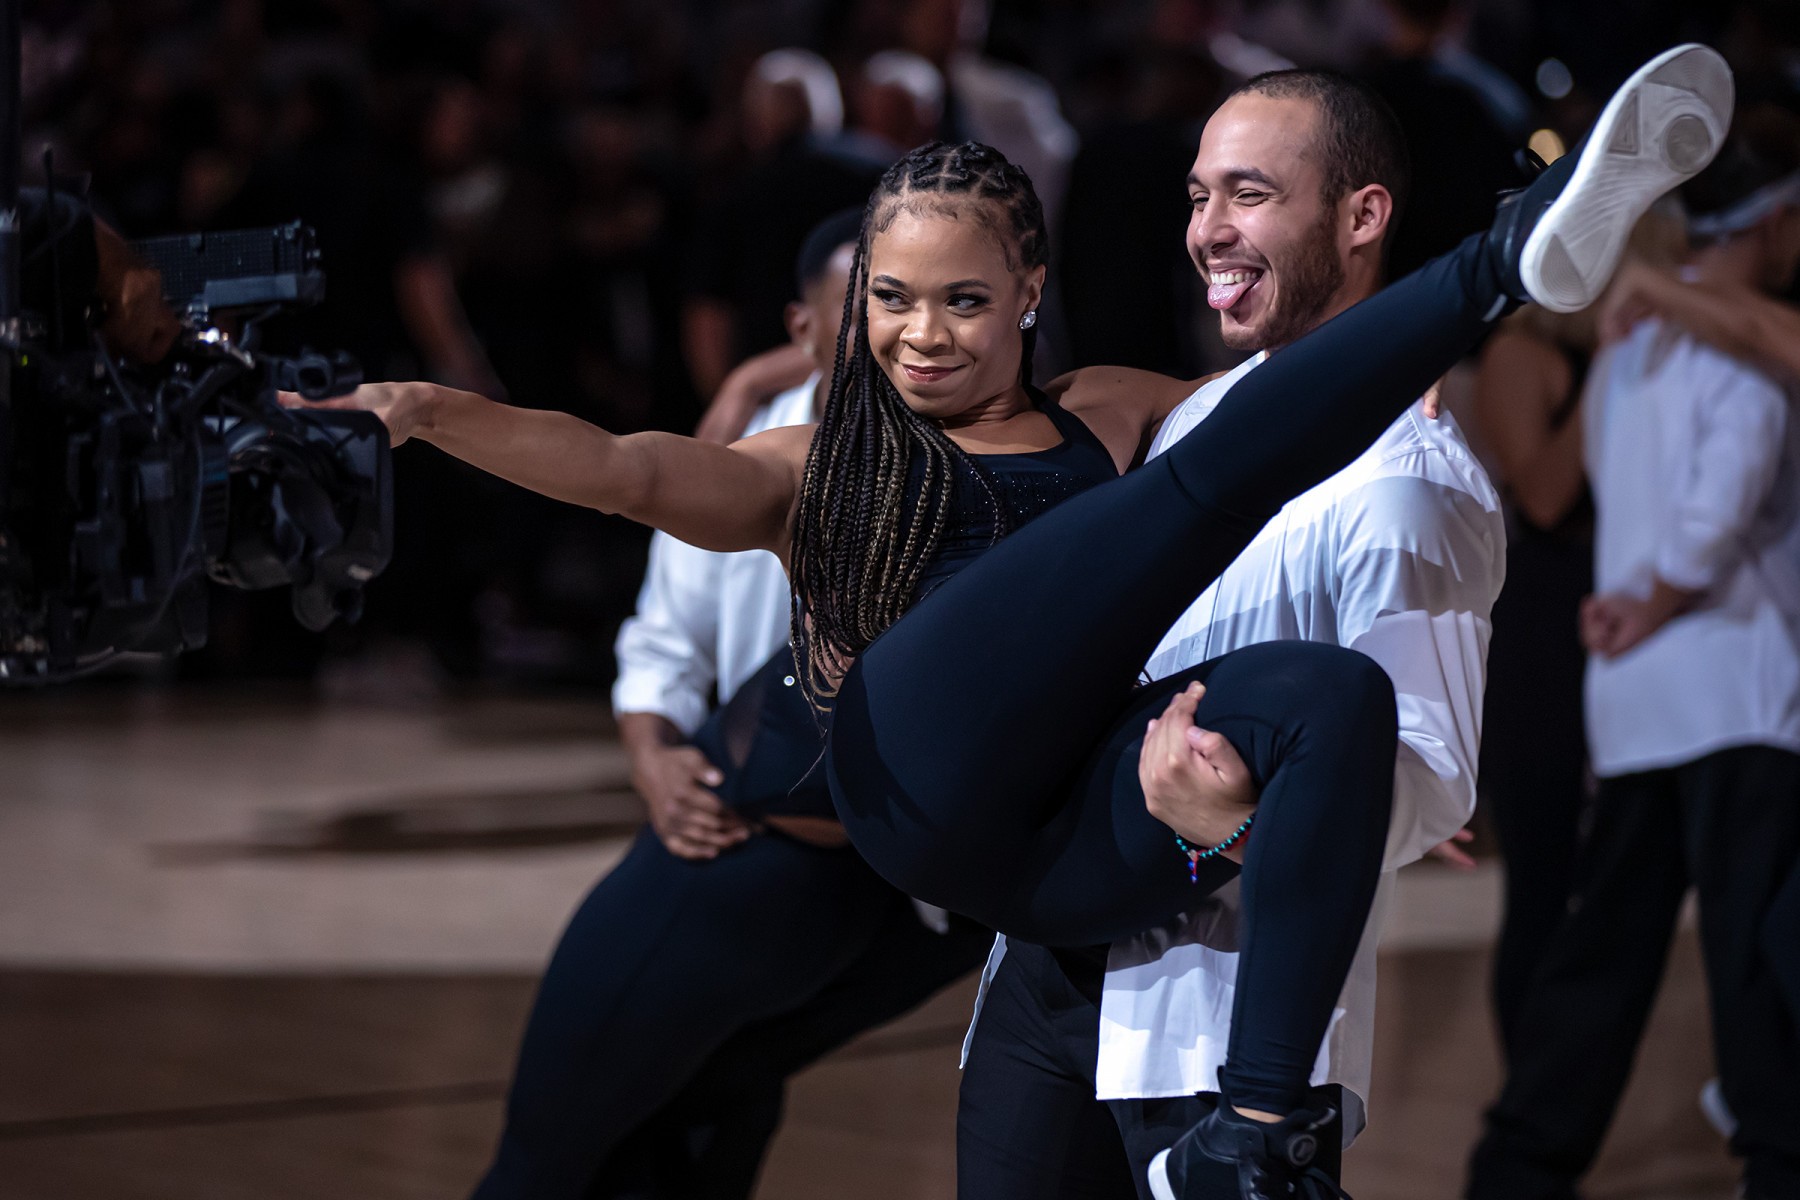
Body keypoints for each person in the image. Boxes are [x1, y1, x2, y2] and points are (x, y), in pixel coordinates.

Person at [305, 44, 1729, 1195]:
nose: (924, 333)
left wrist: (1343, 790)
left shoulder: (1128, 412)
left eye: (965, 301)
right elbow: (622, 470)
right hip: (903, 780)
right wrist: (425, 411)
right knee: (1200, 502)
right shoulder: (823, 459)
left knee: (1314, 685)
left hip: (1042, 870)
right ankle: (1503, 263)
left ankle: (1260, 1138)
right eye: (891, 302)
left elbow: (1304, 419)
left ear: (1031, 297)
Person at [951, 64, 1503, 1200]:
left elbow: (1432, 778)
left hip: (1220, 1018)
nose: (1209, 229)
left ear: (1361, 216)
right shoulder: (1199, 412)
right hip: (1043, 981)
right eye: (1200, 196)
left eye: (1250, 194)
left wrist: (1242, 829)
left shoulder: (1409, 483)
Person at [471, 212, 993, 1200]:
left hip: (900, 895)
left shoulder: (985, 455)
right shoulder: (738, 455)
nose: (900, 335)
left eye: (924, 304)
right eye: (868, 308)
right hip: (749, 846)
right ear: (803, 328)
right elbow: (661, 641)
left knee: (719, 1113)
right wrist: (652, 755)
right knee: (574, 1151)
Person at [1465, 107, 1800, 1200]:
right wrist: (1659, 597)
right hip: (1737, 689)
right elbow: (1727, 488)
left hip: (1634, 699)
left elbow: (1614, 487)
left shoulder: (1629, 335)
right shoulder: (1732, 337)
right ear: (1775, 223)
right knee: (1751, 964)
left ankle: (1516, 1172)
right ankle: (1778, 1168)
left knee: (1597, 960)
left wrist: (1634, 607)